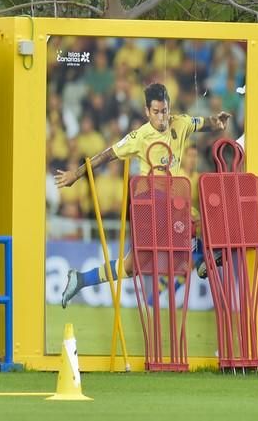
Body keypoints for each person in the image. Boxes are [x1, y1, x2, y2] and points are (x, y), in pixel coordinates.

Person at [55, 83, 230, 308]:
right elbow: (107, 155)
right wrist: (77, 174)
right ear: (147, 111)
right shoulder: (139, 136)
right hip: (150, 202)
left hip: (173, 202)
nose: (162, 117)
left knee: (132, 267)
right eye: (156, 112)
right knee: (190, 217)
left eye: (165, 111)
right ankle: (201, 258)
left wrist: (218, 122)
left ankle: (80, 279)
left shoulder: (181, 122)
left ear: (169, 108)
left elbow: (203, 124)